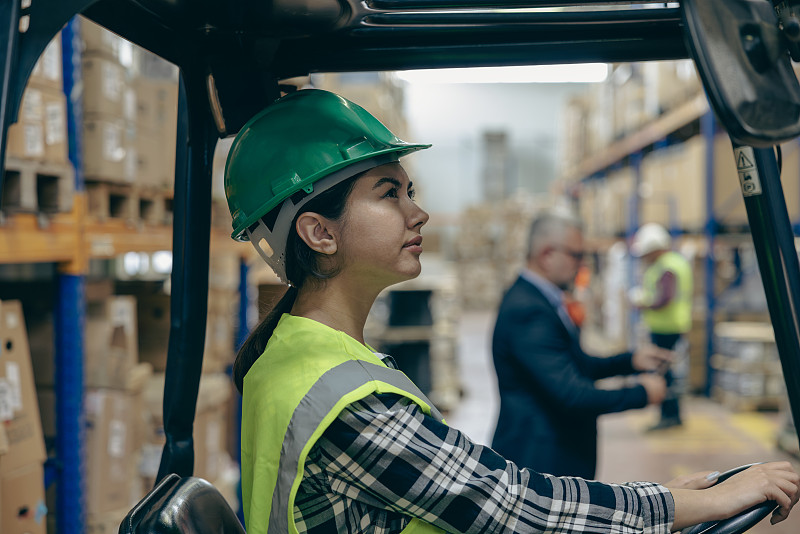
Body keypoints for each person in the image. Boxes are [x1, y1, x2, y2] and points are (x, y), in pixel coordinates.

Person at [225, 88, 799, 534]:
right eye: (389, 193)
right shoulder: (343, 399)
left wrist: (671, 499)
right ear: (319, 232)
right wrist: (685, 504)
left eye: (411, 190)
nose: (419, 213)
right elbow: (513, 508)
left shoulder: (302, 357)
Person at [491, 211, 671, 479]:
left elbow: (576, 364)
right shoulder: (528, 310)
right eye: (576, 256)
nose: (582, 265)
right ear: (547, 255)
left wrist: (630, 361)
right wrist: (642, 394)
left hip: (552, 457)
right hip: (540, 464)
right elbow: (572, 394)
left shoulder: (544, 299)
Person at [629, 222, 693, 431]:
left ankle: (670, 416)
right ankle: (670, 414)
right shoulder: (671, 263)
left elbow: (664, 298)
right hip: (669, 327)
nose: (644, 258)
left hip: (668, 329)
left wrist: (642, 303)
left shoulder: (668, 267)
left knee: (666, 374)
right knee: (668, 373)